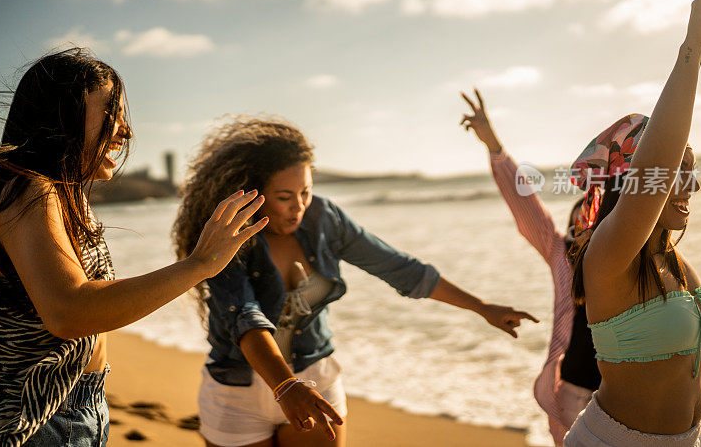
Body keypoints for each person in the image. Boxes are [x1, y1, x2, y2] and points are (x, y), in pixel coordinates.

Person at [0, 48, 268, 446]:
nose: (125, 132)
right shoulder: (31, 190)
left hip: (74, 408)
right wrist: (198, 265)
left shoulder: (63, 195)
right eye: (112, 116)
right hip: (30, 421)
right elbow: (69, 311)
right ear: (61, 116)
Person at [172, 116, 539, 447]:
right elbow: (244, 317)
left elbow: (399, 269)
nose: (299, 205)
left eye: (305, 192)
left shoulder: (324, 219)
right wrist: (285, 386)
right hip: (239, 391)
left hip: (315, 378)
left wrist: (480, 307)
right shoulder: (223, 234)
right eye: (284, 197)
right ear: (252, 192)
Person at [460, 89, 701, 446]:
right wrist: (495, 147)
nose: (587, 230)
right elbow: (529, 209)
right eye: (582, 223)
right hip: (580, 395)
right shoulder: (570, 258)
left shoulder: (661, 263)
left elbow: (684, 357)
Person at [563, 0, 701, 446]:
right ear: (639, 178)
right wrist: (694, 52)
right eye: (680, 169)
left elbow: (689, 367)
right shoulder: (609, 256)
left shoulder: (674, 261)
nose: (691, 186)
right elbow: (654, 166)